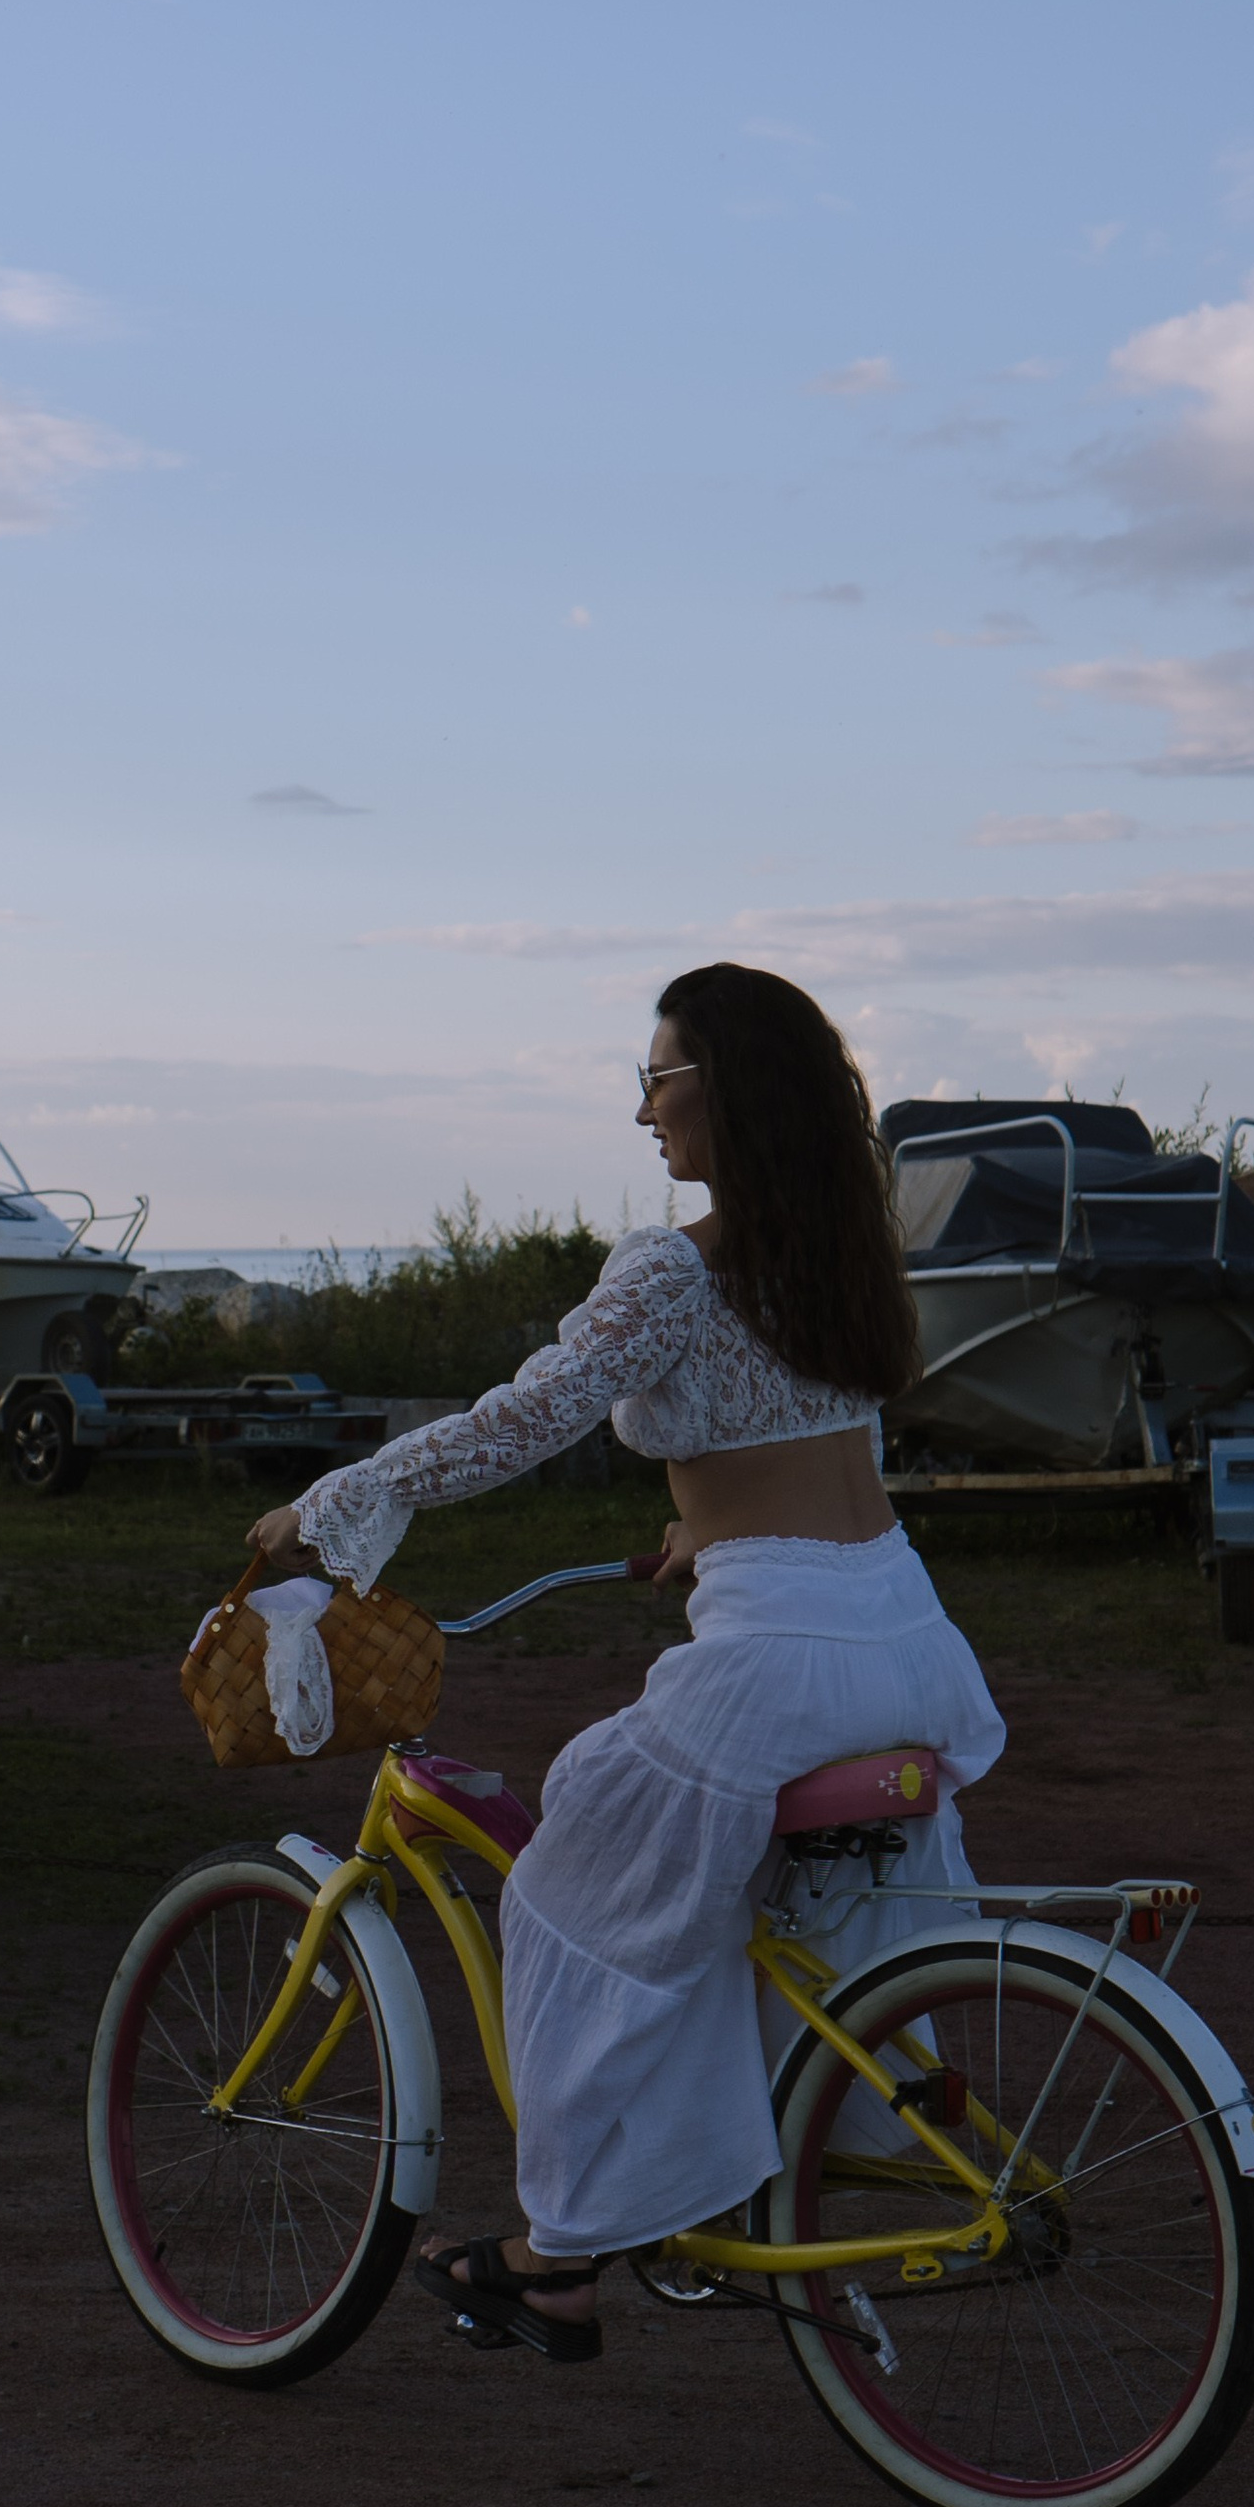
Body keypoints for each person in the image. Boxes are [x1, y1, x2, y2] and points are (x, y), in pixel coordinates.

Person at [248, 961, 1006, 2365]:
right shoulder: (840, 1256)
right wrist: (700, 1537)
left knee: (566, 1895)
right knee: (726, 1915)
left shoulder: (672, 1269)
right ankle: (768, 2153)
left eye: (657, 1079)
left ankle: (556, 2255)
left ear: (724, 1092)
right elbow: (812, 1459)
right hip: (908, 1639)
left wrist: (331, 1504)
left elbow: (517, 1422)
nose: (641, 1111)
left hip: (775, 1670)